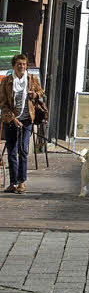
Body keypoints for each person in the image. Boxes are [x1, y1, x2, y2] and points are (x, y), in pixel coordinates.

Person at [0, 53, 44, 194]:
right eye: (19, 64)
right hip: (11, 121)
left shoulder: (32, 79)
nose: (22, 67)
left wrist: (35, 95)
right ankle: (13, 183)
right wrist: (13, 118)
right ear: (14, 66)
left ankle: (22, 182)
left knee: (23, 150)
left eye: (24, 64)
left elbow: (41, 92)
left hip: (26, 121)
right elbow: (3, 104)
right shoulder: (6, 81)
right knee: (12, 152)